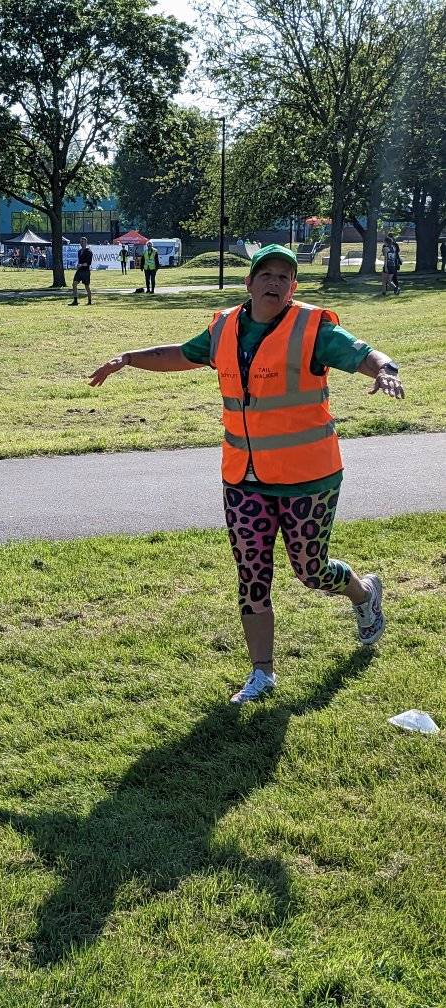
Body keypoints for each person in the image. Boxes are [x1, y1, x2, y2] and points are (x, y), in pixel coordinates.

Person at [88, 244, 405, 704]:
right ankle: (262, 673)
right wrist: (129, 357)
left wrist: (386, 369)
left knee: (311, 571)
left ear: (293, 287)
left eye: (285, 277)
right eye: (267, 275)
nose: (275, 283)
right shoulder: (224, 329)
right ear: (250, 283)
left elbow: (362, 353)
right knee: (252, 574)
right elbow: (183, 353)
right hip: (244, 479)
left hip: (307, 478)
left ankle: (363, 593)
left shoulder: (312, 328)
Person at [70, 237, 93, 306]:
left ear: (86, 242)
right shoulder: (79, 251)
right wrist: (78, 265)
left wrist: (81, 265)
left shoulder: (89, 251)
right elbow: (80, 261)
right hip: (79, 271)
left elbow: (89, 263)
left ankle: (89, 301)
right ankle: (75, 301)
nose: (81, 243)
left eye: (83, 242)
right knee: (74, 284)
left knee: (86, 286)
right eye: (80, 242)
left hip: (86, 271)